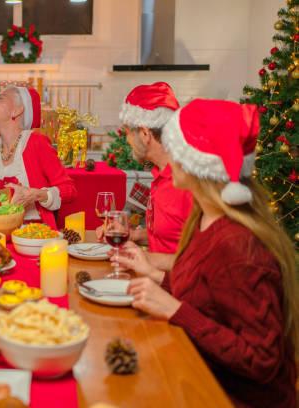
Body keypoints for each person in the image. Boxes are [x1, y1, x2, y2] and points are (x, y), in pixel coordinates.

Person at [122, 99, 297, 407]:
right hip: (196, 372)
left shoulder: (238, 245)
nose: (169, 157)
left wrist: (175, 310)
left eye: (176, 149)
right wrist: (157, 278)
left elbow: (262, 359)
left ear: (197, 163)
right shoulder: (203, 218)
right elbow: (207, 295)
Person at [0, 86, 77, 228]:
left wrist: (35, 194)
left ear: (17, 110)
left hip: (31, 232)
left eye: (0, 98)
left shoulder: (36, 142)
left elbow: (70, 189)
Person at [96, 82, 192, 260]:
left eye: (128, 133)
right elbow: (171, 234)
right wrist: (134, 235)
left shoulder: (184, 182)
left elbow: (198, 260)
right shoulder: (161, 173)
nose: (127, 140)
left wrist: (144, 259)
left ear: (145, 134)